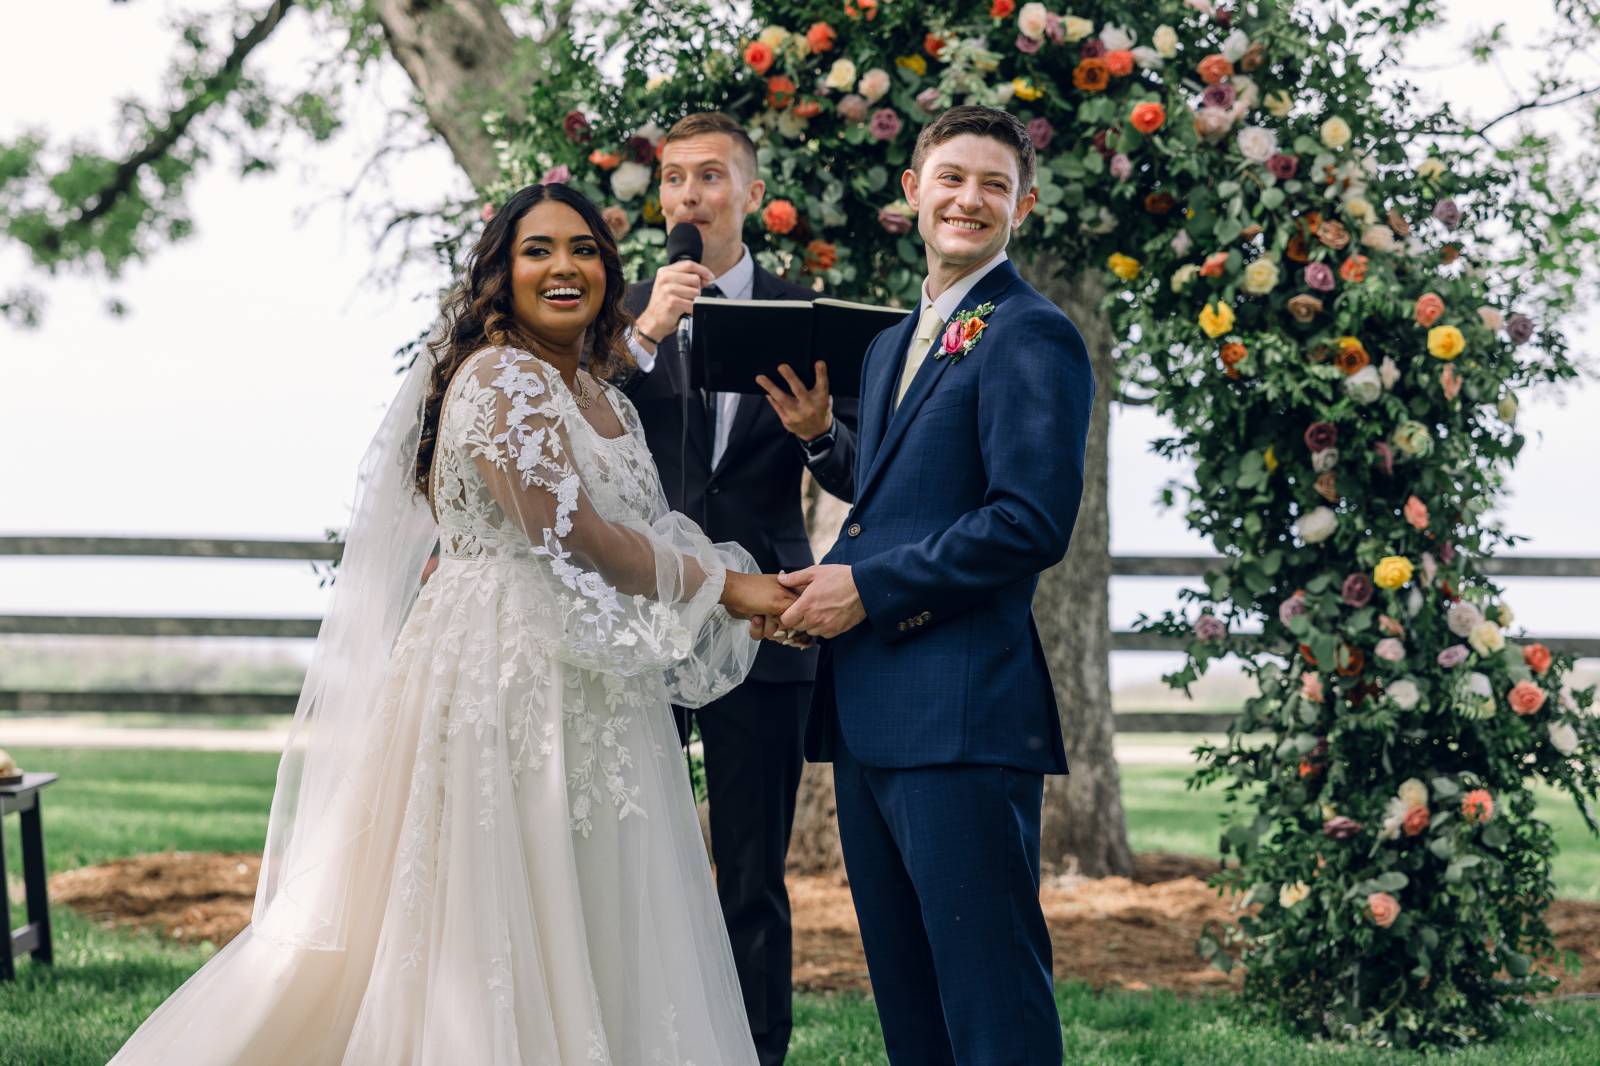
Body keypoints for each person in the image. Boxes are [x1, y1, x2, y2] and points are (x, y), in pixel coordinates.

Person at [108, 182, 793, 1065]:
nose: (564, 268)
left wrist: (745, 596)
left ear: (610, 270)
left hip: (594, 684)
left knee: (598, 894)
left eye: (583, 250)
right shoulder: (502, 378)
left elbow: (642, 538)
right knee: (496, 898)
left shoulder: (605, 397)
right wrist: (731, 588)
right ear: (501, 273)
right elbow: (573, 535)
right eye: (538, 250)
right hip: (504, 673)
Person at [772, 106, 1095, 1065]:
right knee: (910, 1004)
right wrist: (822, 440)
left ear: (1022, 208)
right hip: (872, 712)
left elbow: (1027, 522)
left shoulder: (1032, 335)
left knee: (991, 1003)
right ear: (913, 192)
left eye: (995, 185)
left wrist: (865, 589)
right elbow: (902, 495)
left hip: (962, 714)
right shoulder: (892, 343)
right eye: (952, 178)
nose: (970, 199)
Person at [621, 110, 856, 1066]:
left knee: (752, 874)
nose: (690, 195)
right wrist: (644, 336)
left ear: (752, 194)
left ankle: (756, 1052)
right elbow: (571, 433)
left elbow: (858, 471)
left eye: (710, 176)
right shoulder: (620, 312)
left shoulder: (808, 317)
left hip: (768, 625)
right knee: (629, 860)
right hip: (639, 617)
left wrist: (816, 433)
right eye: (674, 178)